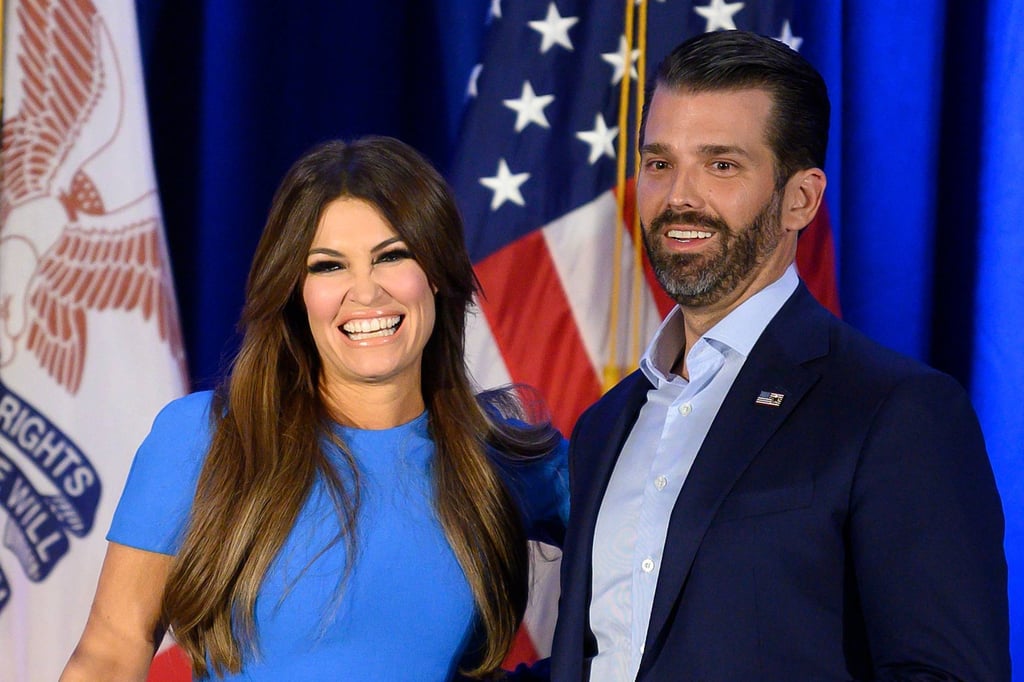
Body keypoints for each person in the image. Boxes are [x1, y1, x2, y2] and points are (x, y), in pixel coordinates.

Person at [547, 30, 1010, 681]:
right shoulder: (604, 426)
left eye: (722, 165)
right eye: (659, 163)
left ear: (801, 199)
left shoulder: (896, 412)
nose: (679, 195)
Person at [60, 136, 568, 681]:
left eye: (392, 256)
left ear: (437, 271)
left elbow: (648, 600)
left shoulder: (508, 457)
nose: (365, 293)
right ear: (296, 290)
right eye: (329, 266)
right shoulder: (204, 439)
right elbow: (112, 651)